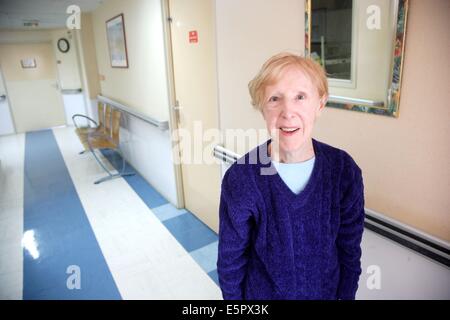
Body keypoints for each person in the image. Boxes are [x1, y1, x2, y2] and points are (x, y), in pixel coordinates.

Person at [217, 52, 365, 300]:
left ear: (320, 103)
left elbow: (349, 252)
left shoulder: (344, 172)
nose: (288, 111)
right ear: (262, 108)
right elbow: (230, 263)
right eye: (275, 99)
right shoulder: (241, 179)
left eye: (300, 97)